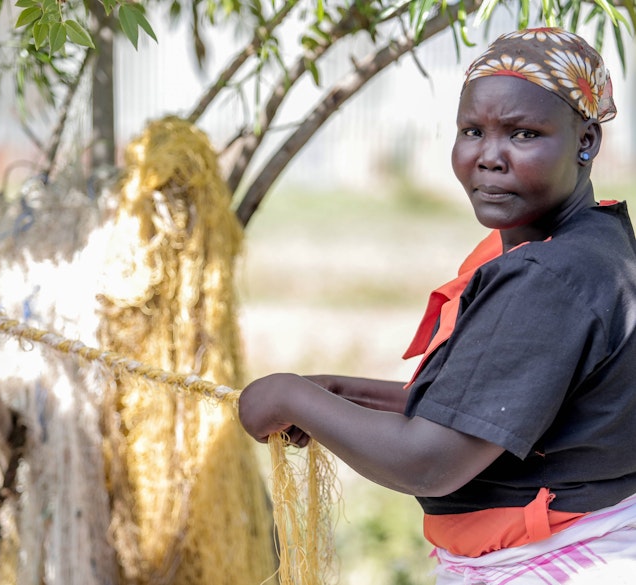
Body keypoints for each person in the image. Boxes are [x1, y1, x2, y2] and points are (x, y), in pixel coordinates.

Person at [238, 27, 636, 584]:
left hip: (552, 563)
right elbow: (484, 408)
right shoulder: (595, 245)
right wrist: (337, 396)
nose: (488, 157)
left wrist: (287, 396)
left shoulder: (549, 278)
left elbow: (432, 460)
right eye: (472, 131)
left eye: (523, 134)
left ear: (586, 142)